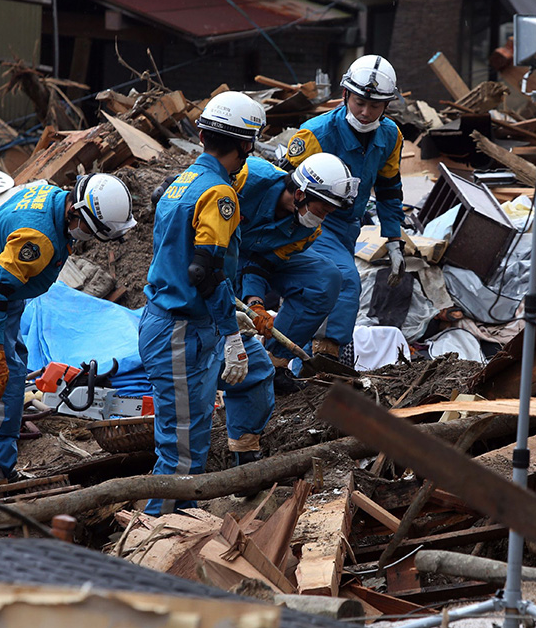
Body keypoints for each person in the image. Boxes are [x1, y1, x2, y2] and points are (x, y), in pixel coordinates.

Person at [0, 174, 136, 491]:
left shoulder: (51, 196)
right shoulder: (38, 240)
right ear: (76, 214)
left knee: (9, 368)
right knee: (1, 383)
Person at [139, 90, 264, 515]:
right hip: (181, 328)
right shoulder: (219, 194)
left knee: (186, 441)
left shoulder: (182, 181)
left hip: (177, 320)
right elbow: (204, 271)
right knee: (181, 453)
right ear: (247, 144)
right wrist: (230, 332)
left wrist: (230, 311)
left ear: (202, 133)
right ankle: (153, 542)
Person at [285, 54, 406, 361]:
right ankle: (325, 357)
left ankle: (291, 360)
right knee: (343, 280)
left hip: (349, 228)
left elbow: (390, 188)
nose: (366, 113)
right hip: (314, 221)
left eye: (375, 106)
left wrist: (394, 240)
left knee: (316, 290)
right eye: (359, 103)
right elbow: (284, 187)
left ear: (386, 106)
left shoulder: (391, 135)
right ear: (345, 95)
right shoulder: (315, 134)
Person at [233, 153, 357, 399]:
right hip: (217, 251)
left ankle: (275, 365)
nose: (322, 218)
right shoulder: (247, 176)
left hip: (255, 258)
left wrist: (256, 303)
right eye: (322, 209)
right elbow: (201, 185)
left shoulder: (307, 231)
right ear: (300, 194)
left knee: (326, 277)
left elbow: (261, 264)